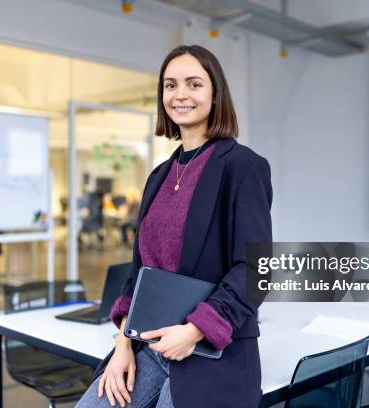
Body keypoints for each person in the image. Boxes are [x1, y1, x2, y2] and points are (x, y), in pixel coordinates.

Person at [76, 44, 272, 408]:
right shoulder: (159, 176)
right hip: (146, 346)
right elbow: (140, 272)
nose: (180, 94)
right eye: (170, 85)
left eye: (194, 84)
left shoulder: (243, 167)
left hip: (210, 348)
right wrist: (122, 345)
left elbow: (254, 270)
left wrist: (194, 331)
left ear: (215, 95)